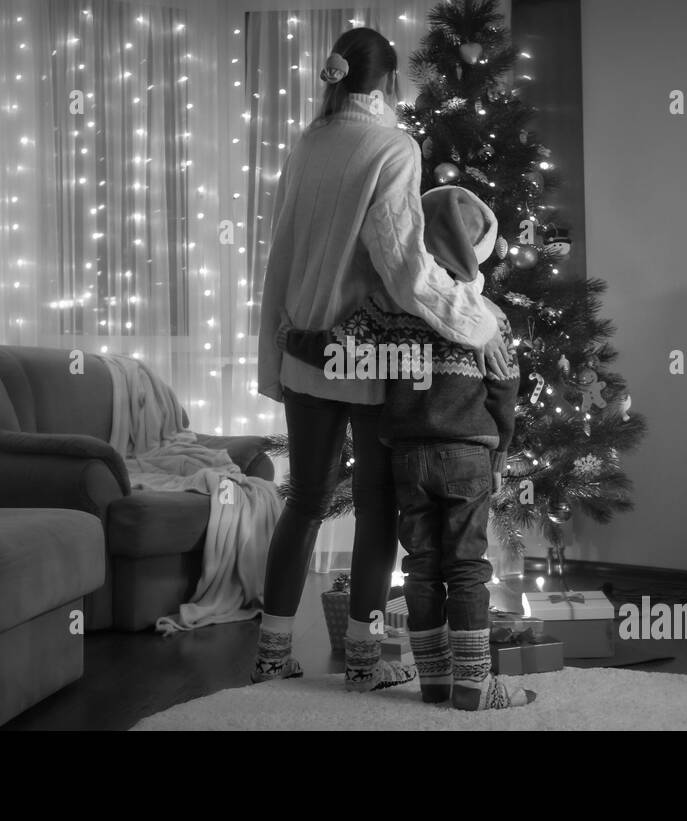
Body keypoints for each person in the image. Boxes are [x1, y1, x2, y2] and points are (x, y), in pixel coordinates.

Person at [254, 27, 511, 691]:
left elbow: (278, 257)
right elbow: (403, 269)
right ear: (390, 83)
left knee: (305, 501)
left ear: (338, 76)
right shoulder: (393, 148)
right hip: (371, 356)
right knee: (376, 507)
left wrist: (274, 352)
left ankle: (272, 650)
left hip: (307, 351)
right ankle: (363, 660)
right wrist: (472, 318)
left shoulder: (307, 145)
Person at [277, 185, 535, 710]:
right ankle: (474, 683)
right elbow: (505, 388)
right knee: (466, 567)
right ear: (477, 248)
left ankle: (434, 680)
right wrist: (501, 454)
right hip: (468, 454)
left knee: (420, 566)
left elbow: (339, 349)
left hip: (407, 456)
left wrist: (292, 339)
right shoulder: (485, 316)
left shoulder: (388, 305)